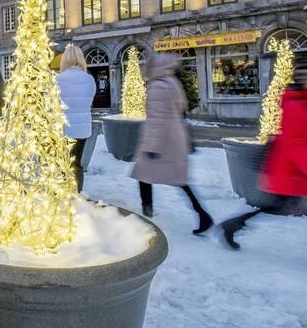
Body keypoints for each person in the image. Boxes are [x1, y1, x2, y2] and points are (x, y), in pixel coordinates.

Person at [220, 57, 307, 249]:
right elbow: (294, 141)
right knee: (274, 205)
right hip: (291, 166)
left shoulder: (300, 99)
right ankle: (232, 224)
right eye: (302, 74)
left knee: (274, 205)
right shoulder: (294, 102)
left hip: (295, 167)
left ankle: (233, 224)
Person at [131, 52, 213, 234]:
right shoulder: (172, 82)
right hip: (175, 136)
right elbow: (181, 108)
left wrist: (152, 146)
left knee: (143, 174)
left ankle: (147, 213)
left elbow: (157, 119)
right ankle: (202, 214)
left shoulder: (157, 87)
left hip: (161, 139)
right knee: (179, 180)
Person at [56, 44, 96, 192]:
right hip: (82, 127)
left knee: (62, 162)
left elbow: (53, 104)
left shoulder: (58, 79)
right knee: (77, 162)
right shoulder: (89, 79)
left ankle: (63, 193)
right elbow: (90, 102)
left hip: (63, 128)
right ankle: (76, 194)